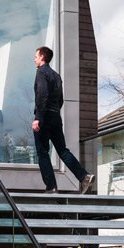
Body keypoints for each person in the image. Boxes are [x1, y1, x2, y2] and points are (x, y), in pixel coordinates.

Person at [31, 46, 95, 194]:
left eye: (36, 56)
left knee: (42, 152)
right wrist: (53, 112)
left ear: (42, 57)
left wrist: (38, 118)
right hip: (55, 116)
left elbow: (42, 95)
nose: (34, 59)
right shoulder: (56, 75)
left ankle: (51, 187)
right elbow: (60, 100)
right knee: (62, 150)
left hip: (44, 116)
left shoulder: (41, 73)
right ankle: (84, 177)